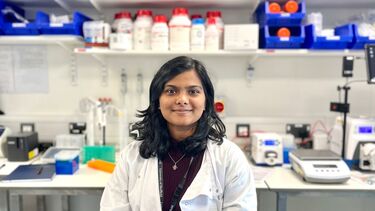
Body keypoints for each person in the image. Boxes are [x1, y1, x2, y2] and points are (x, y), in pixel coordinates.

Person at [100, 56, 257, 211]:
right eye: (171, 91)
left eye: (193, 91)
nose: (182, 99)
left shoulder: (229, 157)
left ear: (206, 102)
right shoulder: (132, 155)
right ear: (157, 101)